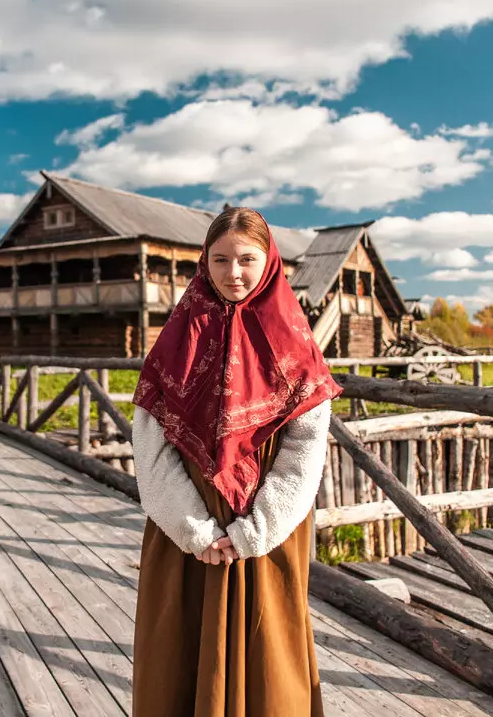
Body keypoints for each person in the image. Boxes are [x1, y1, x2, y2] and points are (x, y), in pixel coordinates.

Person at [131, 207, 342, 716]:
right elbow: (151, 442)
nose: (233, 273)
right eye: (220, 259)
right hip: (185, 535)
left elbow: (305, 445)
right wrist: (195, 531)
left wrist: (256, 530)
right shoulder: (177, 340)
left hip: (266, 537)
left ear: (268, 261)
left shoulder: (295, 342)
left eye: (247, 259)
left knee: (268, 663)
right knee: (177, 661)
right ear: (204, 262)